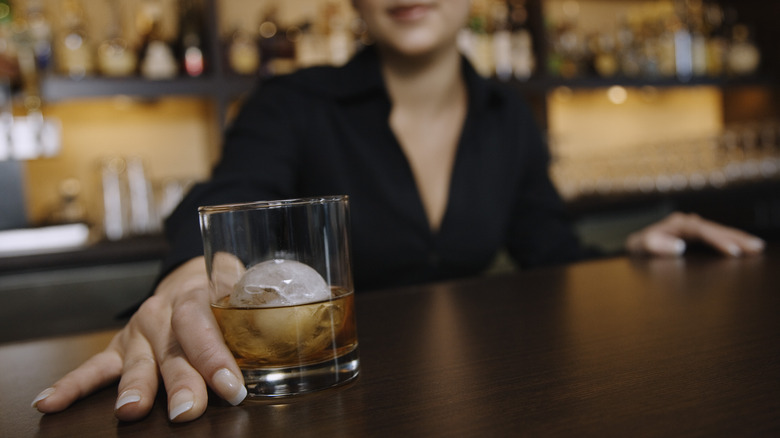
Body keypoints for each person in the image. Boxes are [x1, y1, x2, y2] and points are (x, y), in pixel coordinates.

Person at [32, 0, 765, 423]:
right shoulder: (295, 103)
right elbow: (226, 198)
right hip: (330, 408)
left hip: (489, 403)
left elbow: (547, 245)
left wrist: (636, 250)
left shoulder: (506, 115)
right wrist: (195, 275)